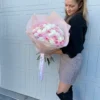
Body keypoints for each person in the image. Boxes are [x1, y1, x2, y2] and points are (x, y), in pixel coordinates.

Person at [48, 0, 88, 100]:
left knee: (61, 92)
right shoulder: (71, 18)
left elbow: (73, 49)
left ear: (79, 5)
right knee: (66, 90)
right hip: (67, 60)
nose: (68, 8)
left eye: (71, 6)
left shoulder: (77, 19)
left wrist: (50, 51)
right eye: (66, 5)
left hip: (72, 60)